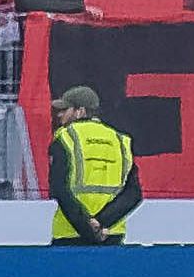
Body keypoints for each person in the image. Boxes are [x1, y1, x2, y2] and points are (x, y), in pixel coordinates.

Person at [47, 82, 140, 244]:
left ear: (80, 111)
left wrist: (87, 228)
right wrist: (101, 222)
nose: (59, 115)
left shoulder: (66, 137)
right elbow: (133, 194)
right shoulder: (120, 140)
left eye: (65, 110)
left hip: (71, 234)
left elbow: (59, 189)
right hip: (111, 232)